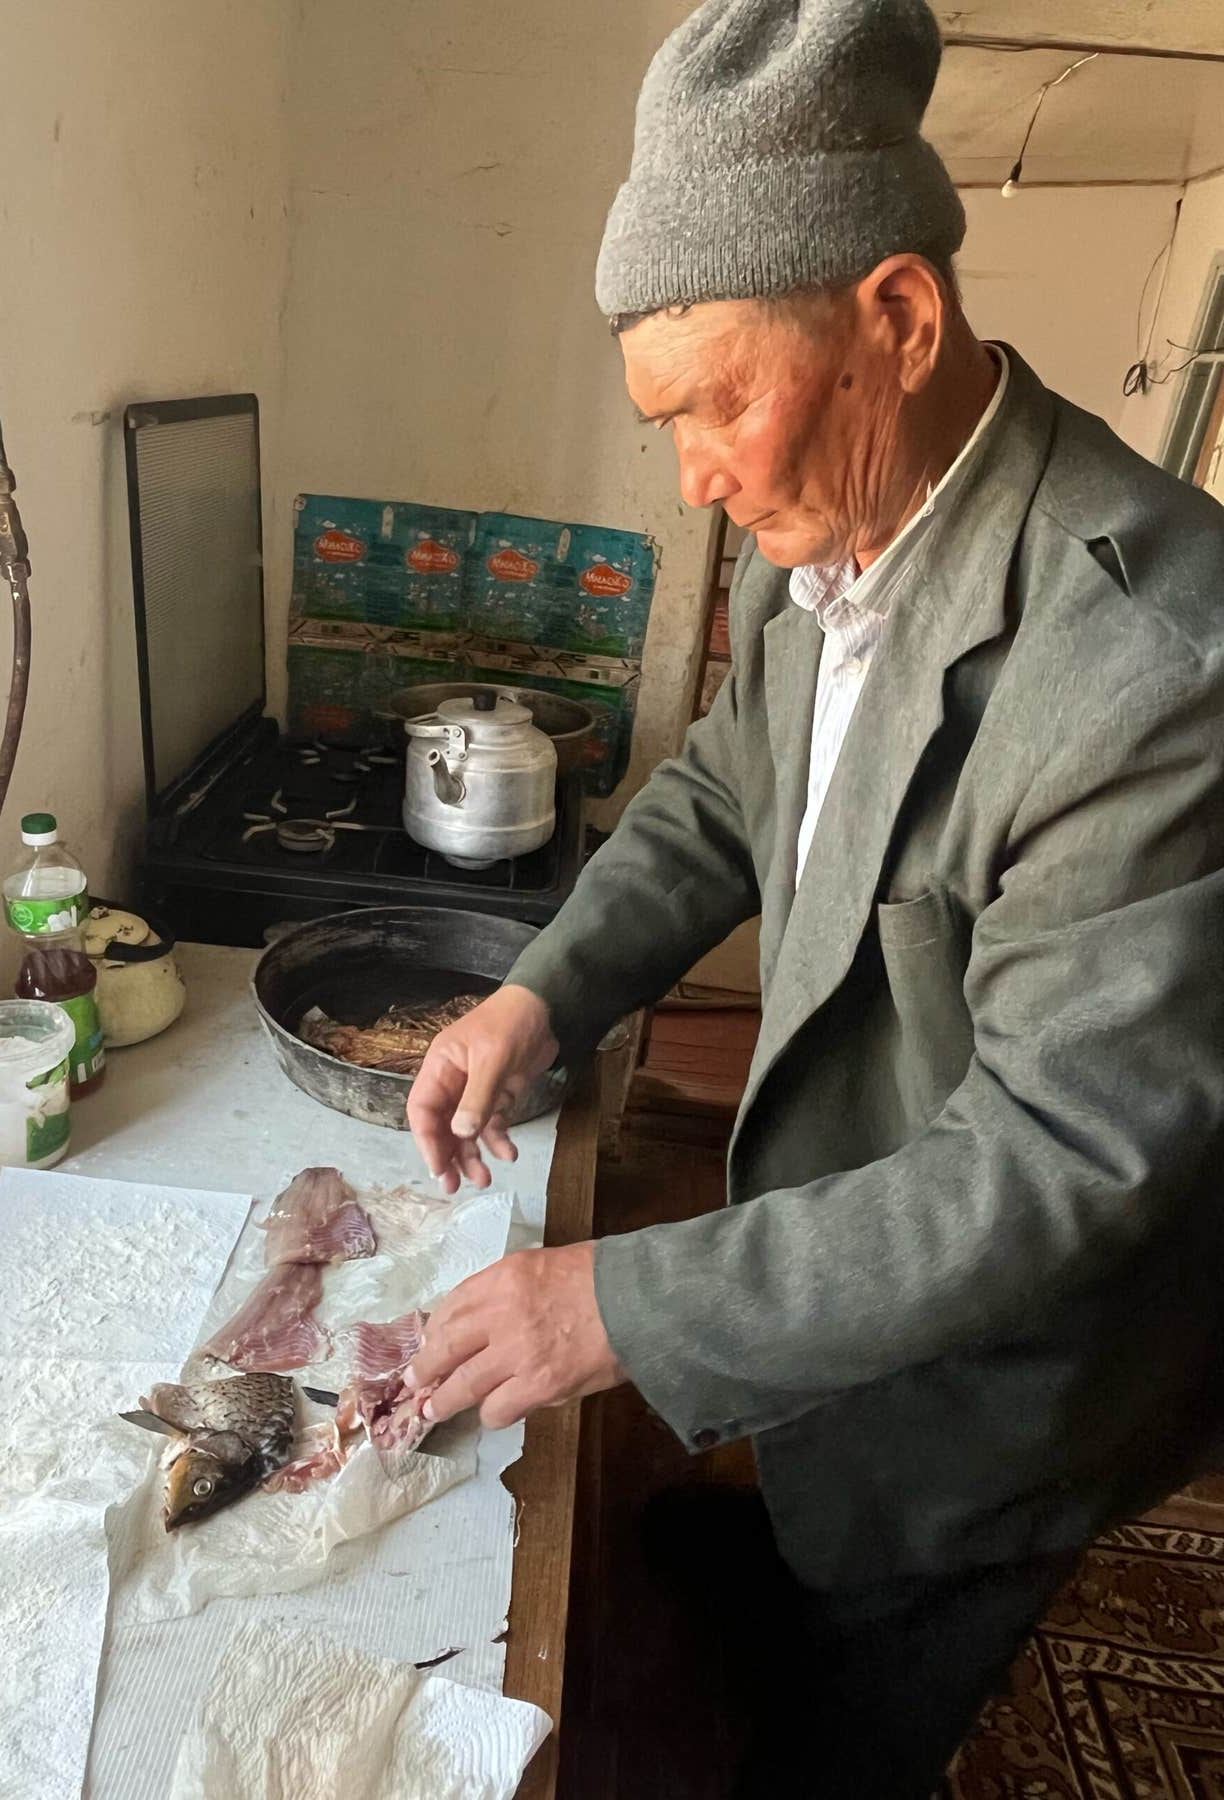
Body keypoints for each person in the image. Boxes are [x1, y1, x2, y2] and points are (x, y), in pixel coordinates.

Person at [403, 0, 1224, 1792]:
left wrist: (620, 1307)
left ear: (899, 322)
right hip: (842, 1254)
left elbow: (1050, 1168)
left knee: (846, 1717)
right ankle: (785, 1551)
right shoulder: (840, 530)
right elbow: (724, 789)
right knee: (787, 1536)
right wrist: (545, 990)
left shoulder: (1154, 668)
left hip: (1004, 1375)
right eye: (666, 418)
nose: (694, 474)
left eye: (717, 405)